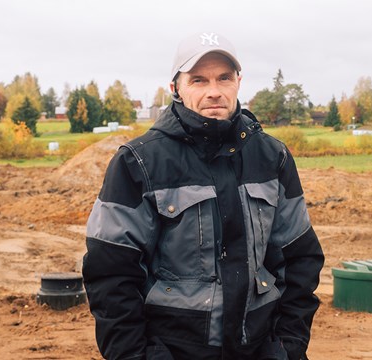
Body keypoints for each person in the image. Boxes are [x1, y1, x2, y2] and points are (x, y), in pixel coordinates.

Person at [82, 32, 324, 360]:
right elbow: (110, 275)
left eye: (224, 78)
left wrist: (285, 348)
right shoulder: (139, 162)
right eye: (198, 80)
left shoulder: (272, 157)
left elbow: (300, 262)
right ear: (175, 88)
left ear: (239, 81)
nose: (214, 91)